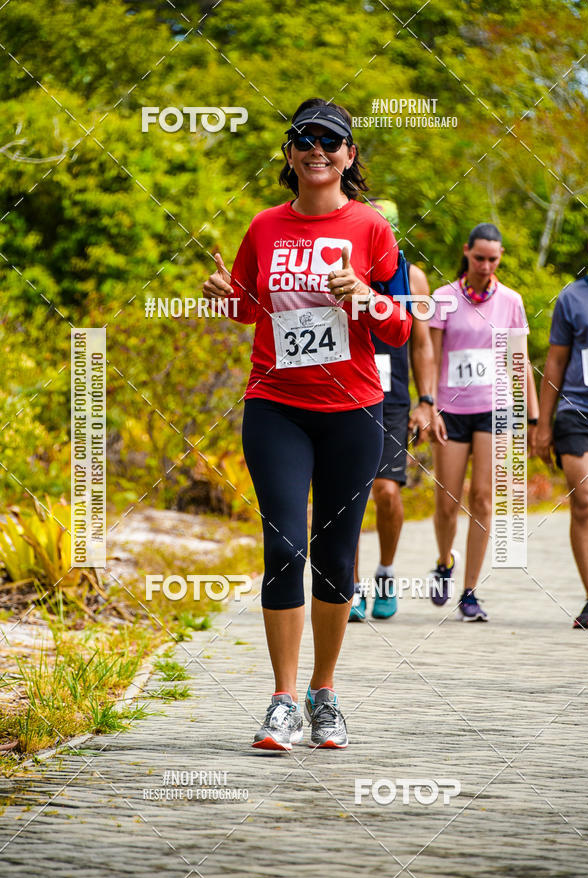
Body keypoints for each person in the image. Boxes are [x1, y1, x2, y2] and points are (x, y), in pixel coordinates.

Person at [202, 98, 412, 750]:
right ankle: (282, 699)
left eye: (332, 140)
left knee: (332, 557)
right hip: (277, 406)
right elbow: (248, 308)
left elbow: (401, 324)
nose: (317, 149)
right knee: (284, 545)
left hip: (353, 410)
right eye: (305, 139)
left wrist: (366, 296)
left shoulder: (373, 228)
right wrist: (225, 296)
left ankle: (325, 693)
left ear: (349, 156)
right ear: (290, 155)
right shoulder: (265, 226)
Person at [429, 223, 539, 621]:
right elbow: (431, 357)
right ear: (466, 253)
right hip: (451, 411)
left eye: (493, 259)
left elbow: (519, 360)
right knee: (447, 502)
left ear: (500, 257)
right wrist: (429, 406)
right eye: (479, 258)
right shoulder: (444, 298)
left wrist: (532, 416)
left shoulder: (511, 300)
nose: (486, 266)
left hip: (495, 409)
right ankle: (444, 562)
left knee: (483, 499)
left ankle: (470, 591)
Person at [350, 199, 445, 621]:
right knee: (346, 493)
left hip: (391, 395)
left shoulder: (413, 277)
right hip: (346, 389)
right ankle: (346, 585)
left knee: (386, 490)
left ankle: (386, 573)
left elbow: (422, 342)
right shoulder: (340, 264)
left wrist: (427, 401)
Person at [537, 216, 588, 629]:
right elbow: (556, 360)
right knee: (586, 499)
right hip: (578, 411)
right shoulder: (572, 298)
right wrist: (543, 425)